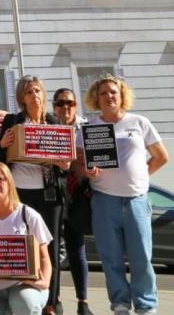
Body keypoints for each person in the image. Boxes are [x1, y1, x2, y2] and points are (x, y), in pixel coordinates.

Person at [77, 75, 168, 315]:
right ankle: (119, 304)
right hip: (104, 200)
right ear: (96, 98)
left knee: (142, 258)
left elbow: (161, 156)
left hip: (136, 200)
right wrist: (85, 170)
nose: (108, 96)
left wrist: (143, 177)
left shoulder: (139, 122)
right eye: (103, 93)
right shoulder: (89, 128)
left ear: (122, 95)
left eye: (113, 92)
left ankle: (146, 305)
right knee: (111, 258)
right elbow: (77, 162)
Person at [0, 76, 68, 315]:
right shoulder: (13, 121)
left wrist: (63, 163)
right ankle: (21, 296)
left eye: (37, 90)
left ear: (43, 94)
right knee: (22, 247)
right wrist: (2, 144)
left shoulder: (54, 121)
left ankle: (51, 303)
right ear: (21, 98)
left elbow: (64, 163)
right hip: (20, 194)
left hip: (48, 194)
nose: (34, 95)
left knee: (51, 248)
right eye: (28, 92)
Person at [0, 162, 52, 315]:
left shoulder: (28, 215)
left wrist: (45, 282)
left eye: (0, 179)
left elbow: (44, 256)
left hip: (25, 285)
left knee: (25, 303)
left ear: (10, 182)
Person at [53, 88, 94, 315]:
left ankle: (83, 302)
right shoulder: (48, 127)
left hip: (78, 196)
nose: (65, 107)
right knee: (54, 251)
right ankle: (55, 299)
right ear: (54, 107)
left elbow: (99, 159)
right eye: (60, 103)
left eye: (69, 103)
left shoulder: (88, 128)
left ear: (76, 105)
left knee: (77, 250)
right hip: (54, 196)